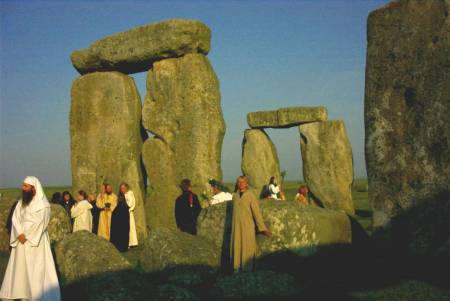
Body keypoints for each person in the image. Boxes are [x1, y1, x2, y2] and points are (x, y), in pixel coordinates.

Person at [0, 176, 61, 301]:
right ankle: (20, 292)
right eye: (23, 185)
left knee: (36, 268)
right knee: (20, 268)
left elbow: (41, 223)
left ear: (33, 188)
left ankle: (36, 294)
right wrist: (19, 234)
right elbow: (15, 219)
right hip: (21, 239)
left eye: (26, 186)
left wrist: (27, 235)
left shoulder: (43, 205)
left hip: (36, 241)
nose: (23, 188)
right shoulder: (21, 203)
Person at [231, 176, 272, 272]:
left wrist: (263, 229)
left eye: (243, 182)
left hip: (247, 226)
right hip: (236, 227)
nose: (241, 184)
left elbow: (256, 213)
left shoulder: (250, 196)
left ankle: (247, 269)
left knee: (247, 248)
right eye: (239, 182)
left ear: (247, 184)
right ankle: (236, 268)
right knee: (237, 246)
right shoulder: (235, 196)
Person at [119, 183, 138, 247]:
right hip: (124, 213)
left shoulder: (129, 194)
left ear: (126, 188)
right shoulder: (123, 195)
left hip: (128, 213)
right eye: (121, 188)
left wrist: (125, 207)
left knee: (129, 227)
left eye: (123, 188)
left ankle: (131, 242)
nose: (122, 189)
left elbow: (130, 204)